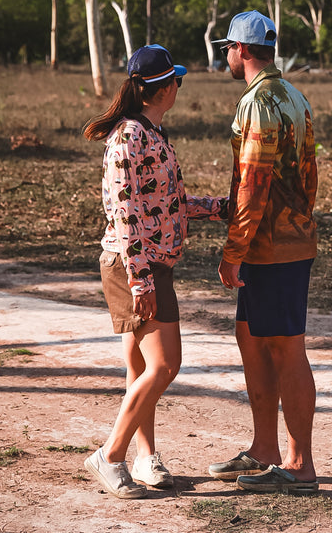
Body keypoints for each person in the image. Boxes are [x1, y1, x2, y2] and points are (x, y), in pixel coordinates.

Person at [82, 44, 227, 499]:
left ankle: (145, 458)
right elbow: (127, 212)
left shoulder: (151, 132)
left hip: (147, 263)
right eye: (176, 81)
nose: (179, 88)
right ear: (160, 90)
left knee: (140, 364)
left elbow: (165, 204)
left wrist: (218, 208)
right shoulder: (129, 137)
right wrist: (142, 279)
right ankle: (109, 455)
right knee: (166, 364)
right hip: (134, 266)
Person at [208, 10, 319, 494]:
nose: (227, 56)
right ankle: (265, 450)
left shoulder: (257, 103)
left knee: (286, 347)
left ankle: (299, 465)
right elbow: (310, 175)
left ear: (244, 51)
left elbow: (253, 183)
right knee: (251, 338)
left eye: (228, 47)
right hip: (279, 241)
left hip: (271, 247)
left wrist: (234, 249)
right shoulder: (294, 95)